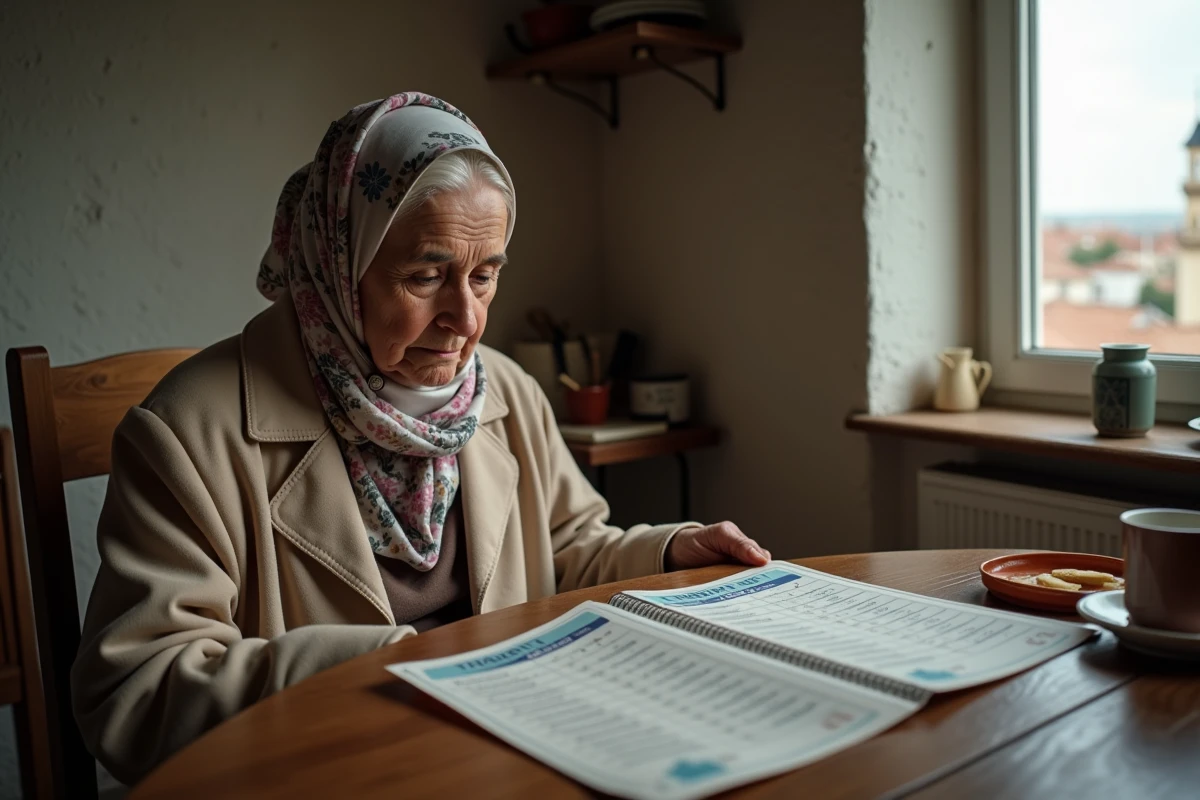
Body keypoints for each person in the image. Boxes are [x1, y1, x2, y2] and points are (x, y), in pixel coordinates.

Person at [71, 93, 770, 784]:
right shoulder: (188, 431)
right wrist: (377, 674)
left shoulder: (504, 390)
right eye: (425, 276)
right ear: (338, 265)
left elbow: (568, 553)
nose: (464, 319)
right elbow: (136, 691)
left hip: (501, 764)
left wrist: (672, 551)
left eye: (485, 275)